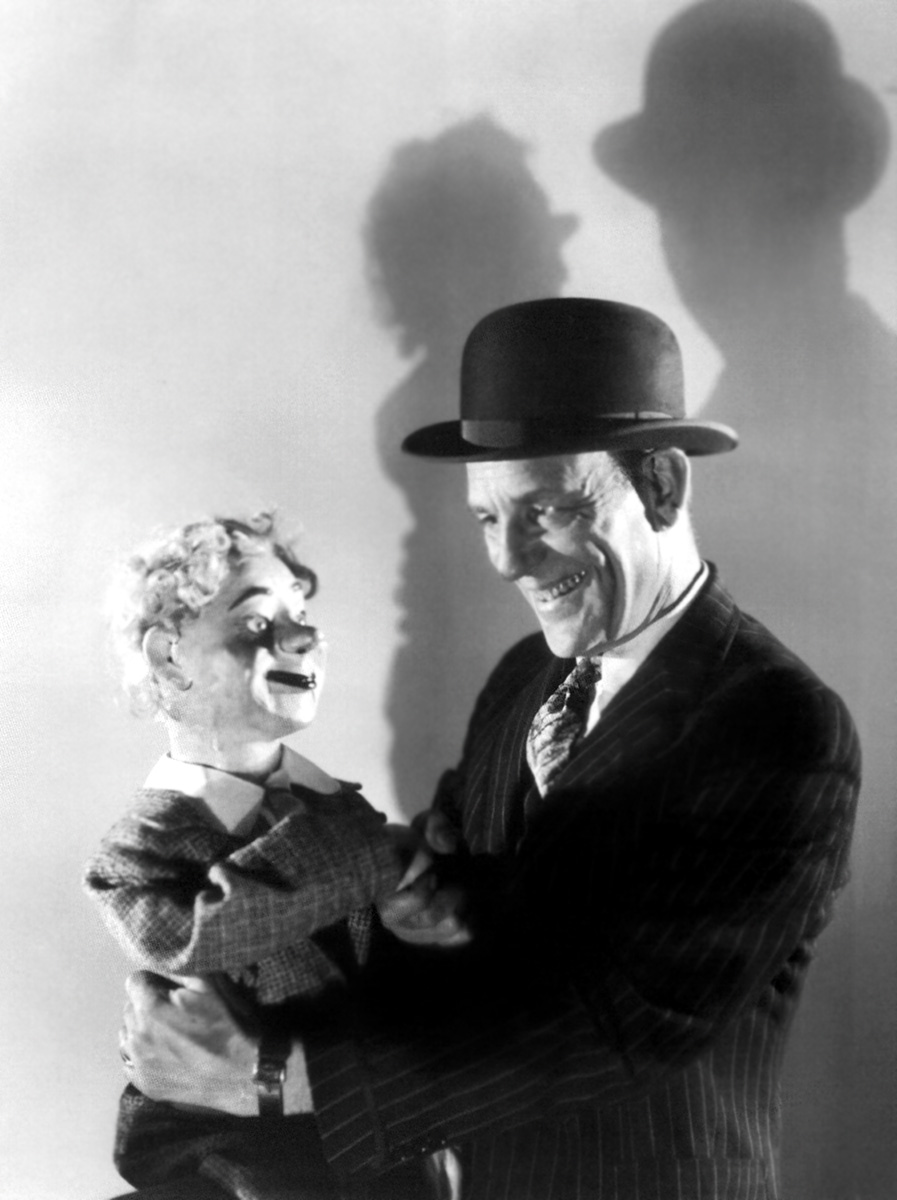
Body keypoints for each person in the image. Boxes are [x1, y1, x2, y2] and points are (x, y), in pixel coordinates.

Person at [119, 301, 860, 1200]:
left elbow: (626, 1023)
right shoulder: (525, 677)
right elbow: (495, 905)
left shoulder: (778, 723)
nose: (509, 559)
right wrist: (421, 904)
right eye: (486, 519)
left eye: (546, 509)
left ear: (662, 485)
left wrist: (266, 1077)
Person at [85, 512, 448, 1199]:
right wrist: (371, 860)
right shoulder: (136, 855)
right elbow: (196, 934)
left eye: (301, 615)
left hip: (369, 1140)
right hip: (228, 1159)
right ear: (168, 657)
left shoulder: (340, 811)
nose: (304, 638)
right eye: (256, 622)